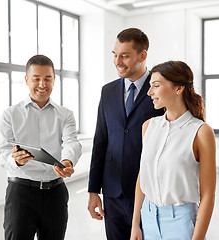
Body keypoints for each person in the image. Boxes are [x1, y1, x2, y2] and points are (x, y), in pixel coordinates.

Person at [87, 28, 165, 240]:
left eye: (125, 56)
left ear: (142, 55)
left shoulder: (160, 89)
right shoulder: (107, 91)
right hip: (112, 191)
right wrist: (94, 191)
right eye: (115, 54)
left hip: (149, 192)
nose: (117, 61)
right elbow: (100, 140)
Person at [0, 54, 82, 240]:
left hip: (55, 194)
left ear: (54, 80)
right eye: (36, 79)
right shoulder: (10, 115)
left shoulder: (65, 114)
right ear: (27, 80)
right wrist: (14, 160)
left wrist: (67, 160)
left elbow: (71, 142)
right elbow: (1, 153)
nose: (42, 84)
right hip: (21, 194)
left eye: (47, 79)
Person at [130, 61, 216, 240]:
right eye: (150, 86)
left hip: (182, 223)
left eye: (156, 85)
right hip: (147, 217)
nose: (149, 92)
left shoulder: (200, 131)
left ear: (179, 88)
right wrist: (135, 224)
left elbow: (208, 194)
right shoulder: (148, 126)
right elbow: (142, 177)